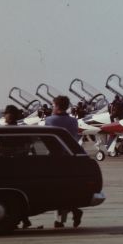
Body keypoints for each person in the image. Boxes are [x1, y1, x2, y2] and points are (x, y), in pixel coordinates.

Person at [45, 95, 83, 228]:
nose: (51, 107)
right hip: (71, 158)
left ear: (57, 106)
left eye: (52, 105)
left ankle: (66, 216)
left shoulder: (50, 120)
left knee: (58, 190)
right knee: (66, 189)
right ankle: (63, 218)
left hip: (56, 159)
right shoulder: (74, 121)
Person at [3, 105, 32, 228]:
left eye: (6, 114)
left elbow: (0, 149)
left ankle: (18, 219)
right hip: (21, 166)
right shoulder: (22, 130)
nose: (4, 116)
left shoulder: (3, 131)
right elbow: (27, 147)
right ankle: (23, 218)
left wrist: (11, 152)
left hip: (10, 168)